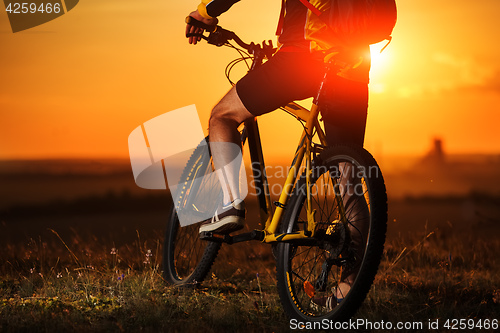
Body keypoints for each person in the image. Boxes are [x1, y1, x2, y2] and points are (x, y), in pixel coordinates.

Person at [186, 0, 370, 236]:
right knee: (349, 179)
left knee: (223, 115)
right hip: (353, 66)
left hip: (301, 59)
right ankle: (356, 273)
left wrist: (205, 13)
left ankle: (230, 203)